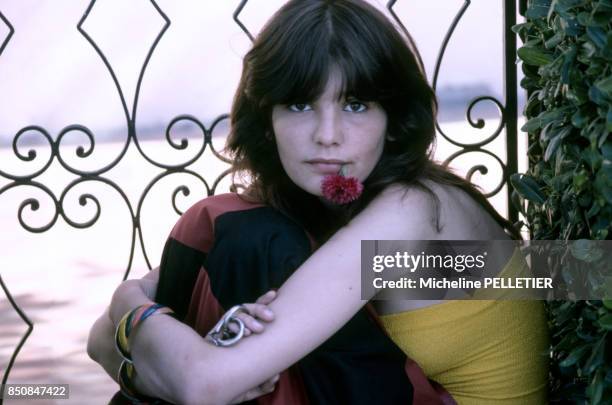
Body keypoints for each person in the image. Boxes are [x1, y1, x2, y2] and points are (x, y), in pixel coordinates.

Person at [87, 0, 549, 404]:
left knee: (247, 238)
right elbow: (99, 344)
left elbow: (201, 384)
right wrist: (144, 358)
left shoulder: (416, 212)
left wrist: (128, 302)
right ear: (266, 119)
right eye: (301, 105)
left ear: (393, 119)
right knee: (222, 223)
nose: (327, 137)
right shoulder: (310, 211)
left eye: (355, 105)